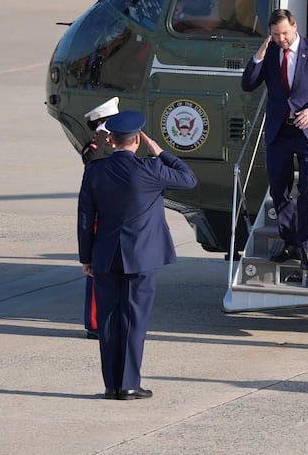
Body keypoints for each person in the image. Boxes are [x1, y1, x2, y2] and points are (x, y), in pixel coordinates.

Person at [77, 110, 197, 400]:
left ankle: (111, 385)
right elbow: (189, 179)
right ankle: (129, 384)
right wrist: (161, 152)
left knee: (107, 321)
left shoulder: (94, 170)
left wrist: (86, 257)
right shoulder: (151, 169)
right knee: (135, 320)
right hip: (141, 257)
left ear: (113, 141)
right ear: (137, 141)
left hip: (105, 255)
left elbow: (84, 217)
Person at [240, 8, 308, 271]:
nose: (281, 38)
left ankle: (306, 246)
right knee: (279, 190)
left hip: (307, 130)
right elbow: (248, 84)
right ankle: (289, 241)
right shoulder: (270, 52)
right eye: (275, 34)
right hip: (278, 131)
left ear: (294, 27)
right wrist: (258, 58)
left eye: (284, 33)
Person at [80, 96, 120, 340]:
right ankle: (95, 323)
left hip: (107, 214)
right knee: (99, 271)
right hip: (104, 215)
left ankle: (100, 320)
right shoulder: (103, 144)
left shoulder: (101, 141)